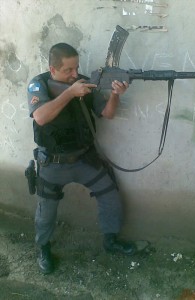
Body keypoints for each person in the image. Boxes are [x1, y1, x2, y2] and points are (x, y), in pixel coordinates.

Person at [27, 42, 136, 274]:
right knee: (46, 211)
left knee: (111, 196)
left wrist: (116, 94)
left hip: (85, 159)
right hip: (53, 164)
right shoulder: (39, 84)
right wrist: (69, 93)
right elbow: (41, 117)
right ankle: (43, 247)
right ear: (53, 69)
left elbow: (107, 113)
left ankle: (110, 240)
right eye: (69, 70)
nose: (75, 74)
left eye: (76, 68)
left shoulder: (84, 82)